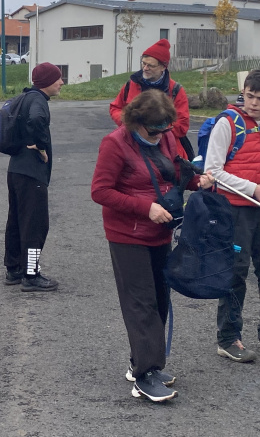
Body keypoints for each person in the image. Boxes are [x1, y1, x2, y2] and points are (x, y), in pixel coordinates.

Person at [91, 90, 213, 402]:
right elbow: (100, 191)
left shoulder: (167, 137)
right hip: (127, 234)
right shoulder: (114, 144)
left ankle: (146, 364)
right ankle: (144, 376)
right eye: (154, 130)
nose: (160, 136)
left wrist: (198, 182)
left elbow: (174, 172)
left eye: (165, 129)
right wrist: (145, 208)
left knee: (159, 298)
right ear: (136, 122)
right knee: (140, 302)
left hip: (161, 230)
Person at [204, 68, 260, 363]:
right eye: (250, 96)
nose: (254, 103)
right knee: (236, 273)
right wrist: (254, 189)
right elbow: (212, 172)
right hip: (235, 211)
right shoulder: (229, 123)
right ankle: (229, 338)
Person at [3, 62, 64, 291]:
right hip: (31, 173)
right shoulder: (38, 101)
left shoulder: (25, 97)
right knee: (35, 225)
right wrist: (39, 146)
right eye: (58, 78)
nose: (61, 82)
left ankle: (14, 269)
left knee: (16, 221)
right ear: (48, 81)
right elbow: (37, 120)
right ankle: (31, 273)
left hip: (16, 169)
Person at [109, 39, 192, 159]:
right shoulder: (131, 84)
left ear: (163, 67)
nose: (145, 68)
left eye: (150, 65)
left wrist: (152, 131)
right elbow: (115, 108)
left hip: (166, 152)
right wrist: (127, 121)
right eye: (143, 63)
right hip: (132, 146)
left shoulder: (175, 90)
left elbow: (181, 126)